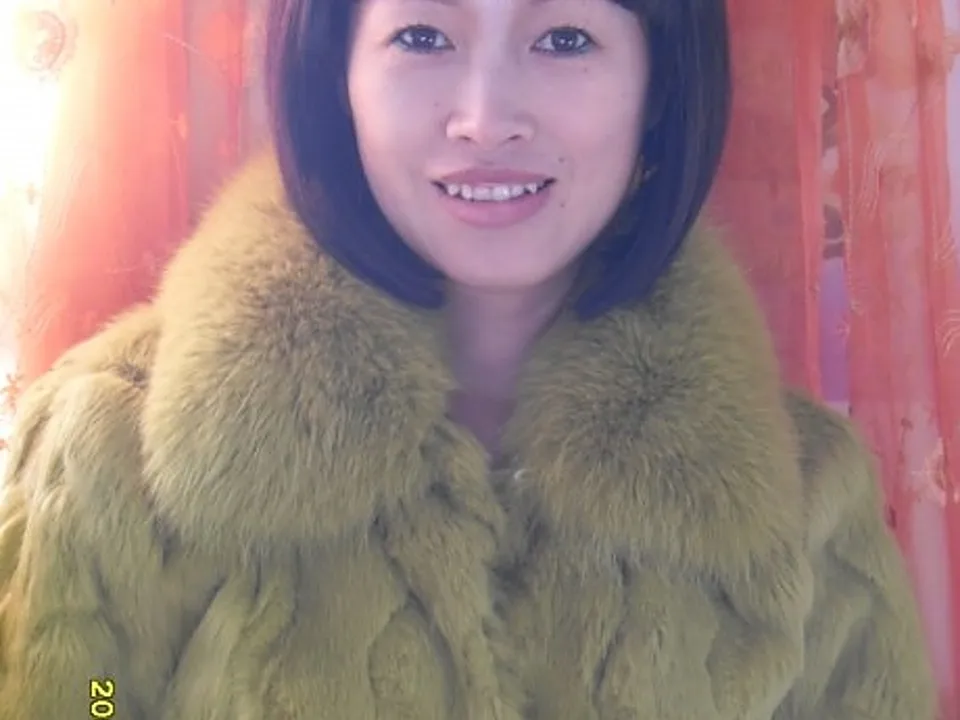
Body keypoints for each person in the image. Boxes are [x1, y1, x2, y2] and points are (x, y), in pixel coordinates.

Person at [0, 0, 937, 717]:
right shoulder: (108, 448)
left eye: (564, 38)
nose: (486, 119)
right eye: (422, 36)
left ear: (657, 91)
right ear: (337, 76)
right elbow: (89, 700)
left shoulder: (805, 497)